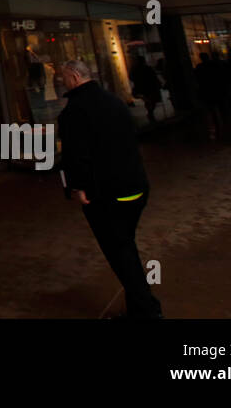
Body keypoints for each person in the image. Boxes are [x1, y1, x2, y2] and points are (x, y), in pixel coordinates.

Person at [56, 59, 163, 319]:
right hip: (136, 186)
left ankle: (146, 310)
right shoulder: (114, 102)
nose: (61, 82)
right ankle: (140, 306)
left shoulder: (74, 111)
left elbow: (75, 155)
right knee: (124, 245)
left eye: (63, 78)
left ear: (74, 76)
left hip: (106, 193)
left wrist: (76, 187)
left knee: (121, 253)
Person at [129, 55, 162, 124]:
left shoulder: (135, 69)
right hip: (148, 87)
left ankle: (150, 112)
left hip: (143, 87)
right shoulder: (146, 68)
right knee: (151, 100)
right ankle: (150, 112)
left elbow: (131, 77)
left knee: (149, 100)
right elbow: (153, 77)